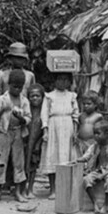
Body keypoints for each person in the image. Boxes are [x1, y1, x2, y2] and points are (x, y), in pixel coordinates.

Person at [0, 69, 31, 203]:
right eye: (14, 86)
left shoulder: (24, 101)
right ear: (9, 85)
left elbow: (28, 117)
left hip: (18, 132)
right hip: (3, 132)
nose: (17, 89)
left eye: (20, 87)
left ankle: (18, 192)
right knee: (1, 161)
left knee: (19, 162)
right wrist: (3, 110)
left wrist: (21, 118)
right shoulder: (2, 99)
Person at [40, 72, 80, 200]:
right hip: (54, 127)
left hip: (67, 126)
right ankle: (53, 190)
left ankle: (66, 189)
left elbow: (75, 115)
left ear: (69, 82)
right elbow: (44, 114)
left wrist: (75, 131)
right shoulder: (49, 96)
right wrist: (45, 130)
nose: (62, 82)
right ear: (55, 81)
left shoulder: (72, 96)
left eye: (65, 80)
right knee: (53, 156)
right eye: (59, 79)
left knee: (67, 157)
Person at [73, 120, 108, 214]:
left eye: (98, 133)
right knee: (86, 179)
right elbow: (86, 156)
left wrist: (103, 175)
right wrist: (78, 160)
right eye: (94, 133)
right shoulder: (94, 146)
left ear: (107, 134)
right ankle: (95, 203)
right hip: (97, 170)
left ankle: (106, 205)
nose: (95, 136)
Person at [24, 83, 46, 199]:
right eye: (32, 96)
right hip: (25, 142)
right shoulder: (26, 110)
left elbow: (45, 130)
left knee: (33, 166)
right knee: (22, 165)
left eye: (38, 96)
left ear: (42, 97)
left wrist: (38, 144)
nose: (35, 98)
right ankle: (21, 188)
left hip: (36, 144)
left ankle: (30, 188)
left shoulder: (44, 112)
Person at [77, 91, 104, 155]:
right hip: (81, 142)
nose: (86, 106)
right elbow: (78, 128)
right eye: (84, 104)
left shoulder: (98, 116)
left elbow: (101, 131)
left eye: (89, 104)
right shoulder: (81, 116)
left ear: (95, 104)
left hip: (92, 142)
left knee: (91, 160)